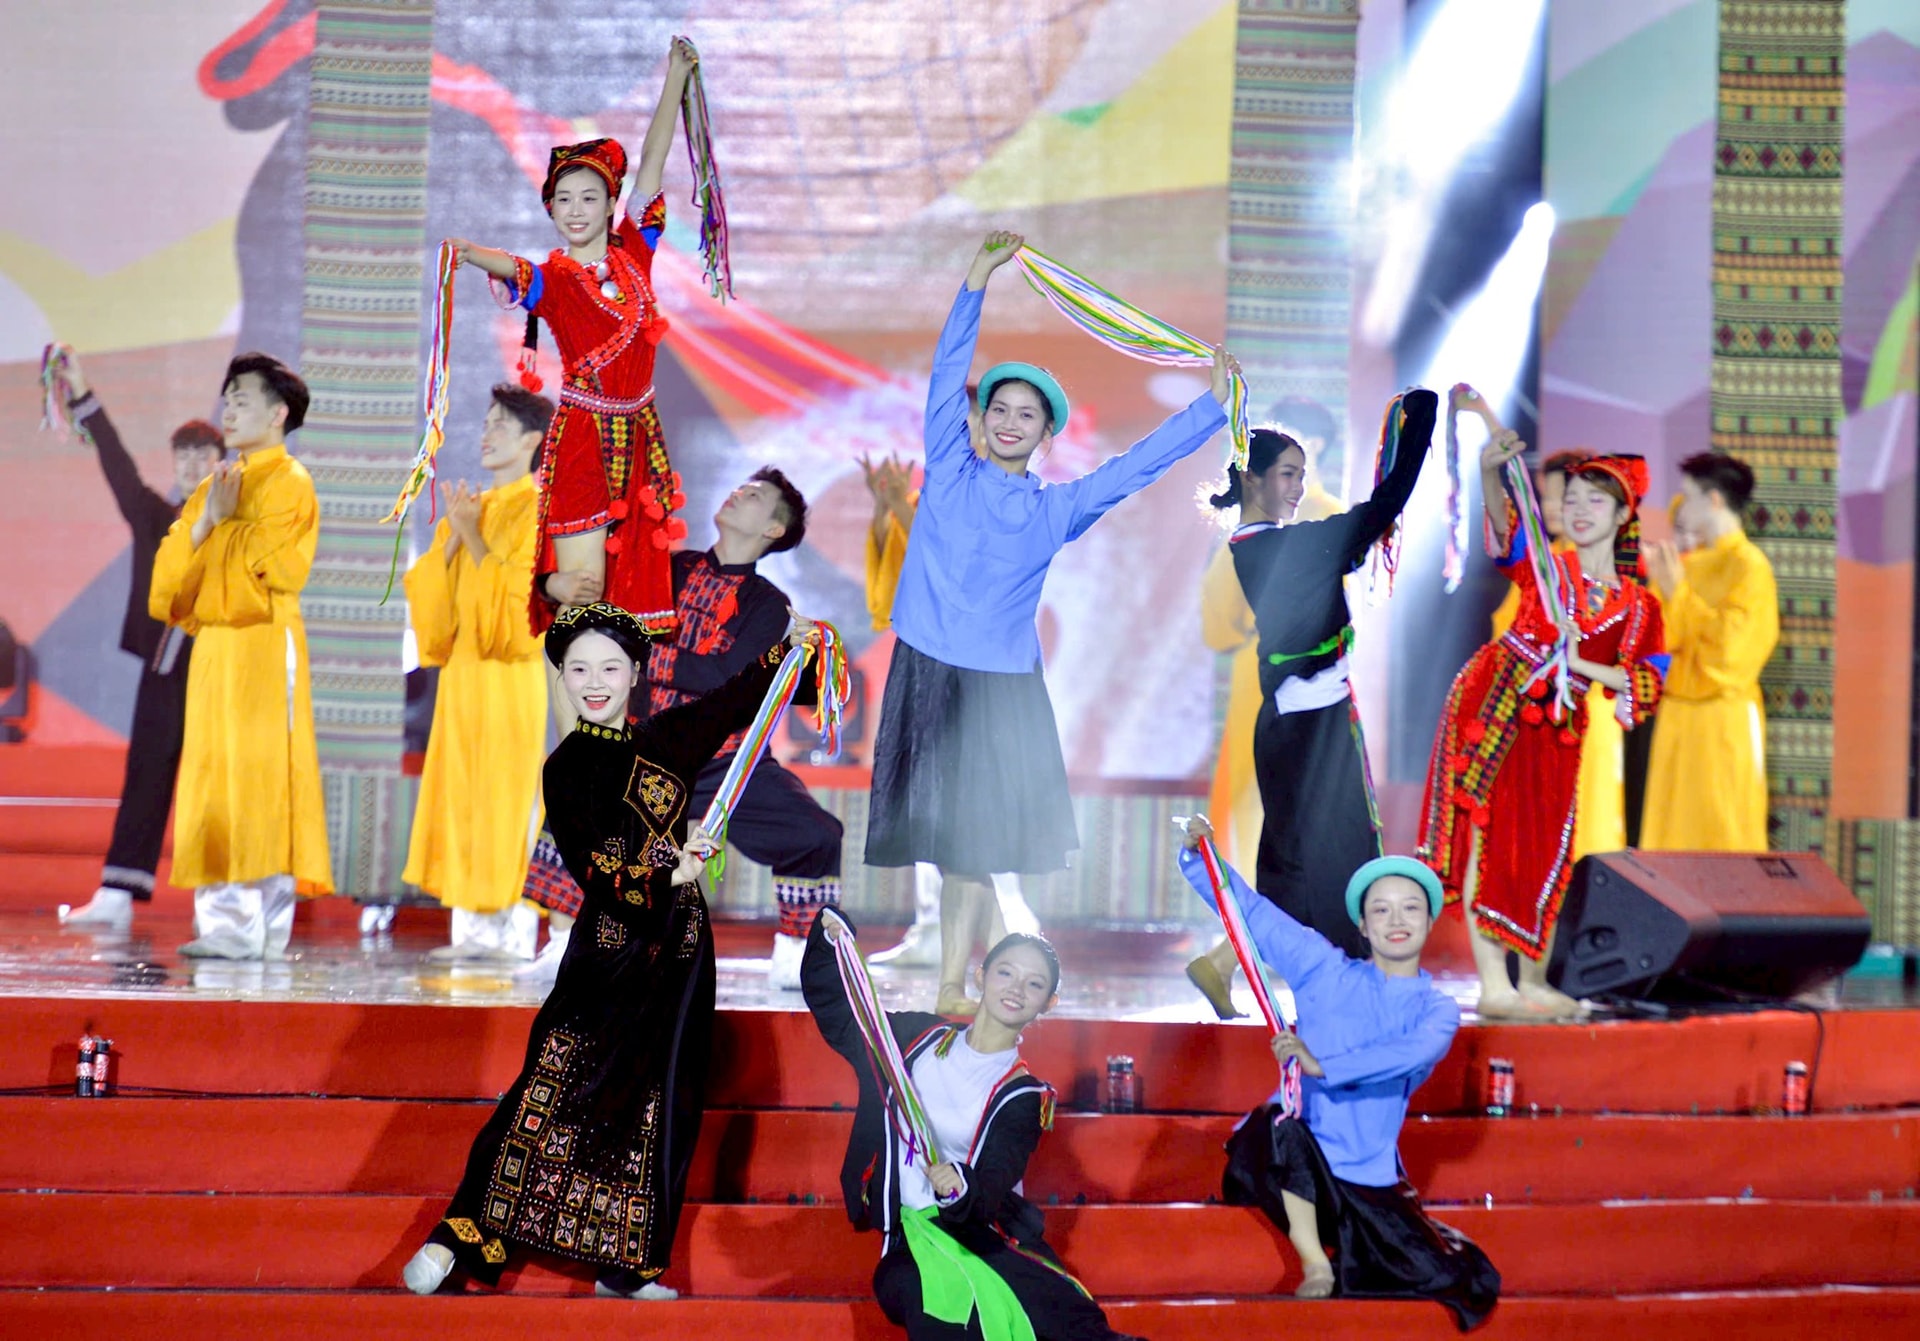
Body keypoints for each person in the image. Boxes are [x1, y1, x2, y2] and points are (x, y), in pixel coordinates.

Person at [867, 229, 1236, 1016]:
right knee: (950, 846)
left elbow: (1137, 467)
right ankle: (949, 981)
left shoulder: (1056, 508)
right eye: (999, 408)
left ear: (1045, 434)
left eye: (1026, 414)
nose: (1009, 421)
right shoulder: (948, 465)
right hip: (927, 669)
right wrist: (976, 278)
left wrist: (1212, 408)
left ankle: (970, 980)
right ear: (979, 419)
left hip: (1000, 688)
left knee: (978, 846)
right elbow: (946, 374)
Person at [403, 601, 816, 1300]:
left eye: (610, 668)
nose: (595, 682)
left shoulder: (667, 740)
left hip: (681, 954)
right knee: (550, 1084)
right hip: (610, 950)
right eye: (579, 669)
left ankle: (629, 1265)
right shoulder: (566, 768)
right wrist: (668, 872)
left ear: (636, 674)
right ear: (561, 677)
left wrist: (791, 650)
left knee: (665, 1101)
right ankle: (458, 1237)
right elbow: (593, 866)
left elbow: (737, 698)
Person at [1176, 816, 1499, 1329]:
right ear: (1363, 926)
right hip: (1288, 1161)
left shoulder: (1436, 1010)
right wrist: (1202, 858)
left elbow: (1409, 1054)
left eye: (1411, 908)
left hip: (1368, 1181)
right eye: (1381, 909)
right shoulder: (1323, 969)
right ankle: (1314, 1261)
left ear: (1429, 920)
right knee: (1282, 1126)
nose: (1396, 919)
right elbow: (1253, 914)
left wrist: (1322, 1065)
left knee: (1443, 1274)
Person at [1186, 391, 1437, 1021]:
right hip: (1310, 730)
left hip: (1300, 724)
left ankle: (1226, 962)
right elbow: (1385, 505)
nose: (1299, 488)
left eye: (1302, 475)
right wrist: (1421, 422)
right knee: (1333, 864)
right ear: (1252, 479)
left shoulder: (1268, 545)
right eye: (1288, 475)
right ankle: (1337, 996)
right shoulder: (1283, 548)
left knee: (1295, 867)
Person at [1416, 390, 1665, 1020]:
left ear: (1623, 514)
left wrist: (1578, 664)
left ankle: (1532, 981)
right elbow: (1505, 535)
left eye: (1594, 502)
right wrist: (1488, 472)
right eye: (1571, 499)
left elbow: (1643, 682)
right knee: (1492, 837)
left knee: (1547, 847)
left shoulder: (1640, 607)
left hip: (1560, 723)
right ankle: (1494, 985)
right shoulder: (1547, 570)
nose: (1577, 510)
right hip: (1497, 702)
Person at [448, 37, 699, 636]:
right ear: (551, 210)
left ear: (612, 204)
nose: (576, 208)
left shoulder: (635, 252)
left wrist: (675, 76)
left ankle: (611, 698)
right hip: (584, 439)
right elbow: (517, 268)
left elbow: (653, 164)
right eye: (563, 199)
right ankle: (571, 698)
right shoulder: (556, 279)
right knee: (581, 597)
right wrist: (470, 253)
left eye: (590, 197)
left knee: (625, 612)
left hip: (640, 437)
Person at [803, 907, 1143, 1341]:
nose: (1016, 989)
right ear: (981, 976)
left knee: (1068, 1320)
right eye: (1006, 973)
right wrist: (831, 939)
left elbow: (994, 1183)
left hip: (980, 1236)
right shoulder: (916, 1040)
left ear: (1048, 1003)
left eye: (1034, 984)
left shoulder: (1023, 1095)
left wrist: (960, 1186)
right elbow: (841, 1016)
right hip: (909, 1241)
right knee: (935, 1305)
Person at [149, 353, 332, 958]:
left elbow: (273, 568)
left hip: (262, 641)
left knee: (259, 774)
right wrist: (207, 522)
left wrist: (217, 528)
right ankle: (224, 922)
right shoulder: (213, 487)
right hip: (214, 649)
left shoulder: (291, 482)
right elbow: (171, 580)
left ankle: (257, 924)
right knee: (214, 777)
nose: (228, 410)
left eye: (242, 400)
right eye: (226, 399)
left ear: (278, 414)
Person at [44, 345, 223, 931]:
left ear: (222, 462)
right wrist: (82, 395)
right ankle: (118, 894)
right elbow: (118, 466)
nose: (192, 464)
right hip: (164, 668)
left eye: (203, 454)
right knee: (147, 771)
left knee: (218, 780)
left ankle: (226, 903)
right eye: (184, 455)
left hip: (221, 666)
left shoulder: (237, 527)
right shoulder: (156, 517)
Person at [643, 467, 844, 989]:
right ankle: (566, 943)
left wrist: (652, 659)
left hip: (724, 761)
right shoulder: (670, 568)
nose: (738, 493)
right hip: (650, 751)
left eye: (754, 495)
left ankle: (797, 954)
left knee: (816, 834)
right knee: (587, 809)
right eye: (739, 488)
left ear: (774, 529)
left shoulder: (767, 604)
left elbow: (727, 680)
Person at [401, 384, 553, 960]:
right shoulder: (471, 507)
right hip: (463, 678)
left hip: (508, 677)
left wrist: (467, 533)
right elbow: (433, 613)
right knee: (462, 794)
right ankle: (471, 932)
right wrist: (453, 538)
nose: (486, 434)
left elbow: (518, 609)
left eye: (500, 425)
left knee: (505, 799)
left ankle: (510, 933)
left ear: (532, 440)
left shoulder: (538, 511)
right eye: (486, 423)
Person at [1641, 452, 1778, 851]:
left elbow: (1732, 654)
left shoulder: (1749, 567)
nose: (1682, 505)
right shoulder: (1686, 564)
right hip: (1677, 716)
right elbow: (1655, 642)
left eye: (1690, 496)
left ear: (1714, 500)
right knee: (1670, 839)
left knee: (1725, 834)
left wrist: (1680, 595)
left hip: (1722, 719)